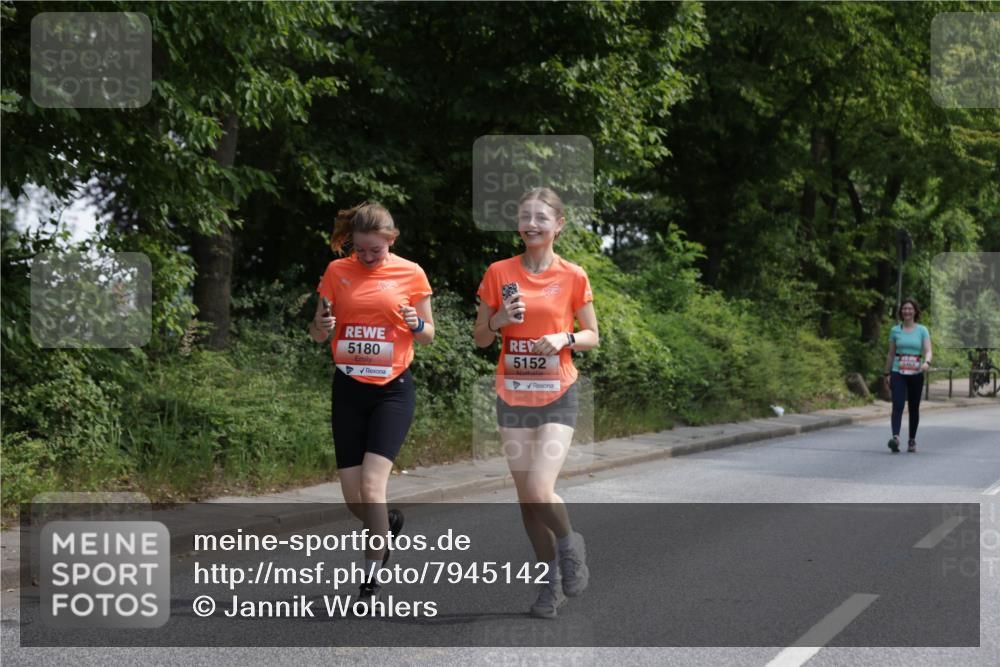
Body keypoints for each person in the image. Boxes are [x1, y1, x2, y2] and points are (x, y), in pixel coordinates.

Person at [474, 187, 599, 619]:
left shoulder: (573, 275)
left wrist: (563, 337)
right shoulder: (499, 272)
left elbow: (592, 336)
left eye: (541, 218)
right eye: (525, 216)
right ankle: (550, 586)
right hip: (512, 393)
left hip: (558, 393)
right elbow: (481, 338)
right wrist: (498, 320)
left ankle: (569, 544)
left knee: (540, 488)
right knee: (527, 499)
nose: (532, 224)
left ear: (558, 225)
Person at [310, 201, 434, 605]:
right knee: (353, 500)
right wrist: (320, 327)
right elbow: (317, 332)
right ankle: (388, 525)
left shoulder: (411, 273)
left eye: (374, 251)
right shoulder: (336, 272)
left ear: (391, 240)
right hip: (348, 388)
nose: (365, 257)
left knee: (371, 485)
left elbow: (429, 334)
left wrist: (415, 324)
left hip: (393, 389)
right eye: (359, 249)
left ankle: (368, 582)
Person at [882, 298, 932, 453]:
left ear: (915, 311)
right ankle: (895, 438)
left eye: (910, 309)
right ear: (901, 311)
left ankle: (912, 440)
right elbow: (891, 354)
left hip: (916, 373)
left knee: (913, 407)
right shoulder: (895, 330)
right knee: (897, 405)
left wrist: (927, 363)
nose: (907, 311)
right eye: (904, 308)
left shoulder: (922, 330)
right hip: (898, 372)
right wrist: (887, 373)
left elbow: (928, 350)